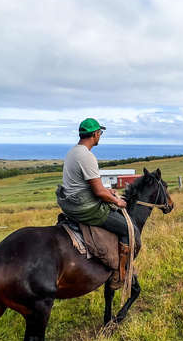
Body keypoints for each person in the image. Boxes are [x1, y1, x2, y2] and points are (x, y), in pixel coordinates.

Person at [56, 118, 132, 278]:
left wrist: (107, 190)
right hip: (84, 208)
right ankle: (120, 274)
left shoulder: (73, 151)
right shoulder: (86, 156)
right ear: (95, 134)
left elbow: (89, 185)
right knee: (126, 228)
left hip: (70, 203)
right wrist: (117, 200)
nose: (100, 135)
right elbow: (98, 192)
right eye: (100, 132)